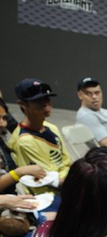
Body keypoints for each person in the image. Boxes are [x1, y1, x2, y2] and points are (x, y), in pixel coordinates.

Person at [7, 79, 71, 211]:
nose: (46, 104)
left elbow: (67, 161)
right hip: (47, 197)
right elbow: (50, 179)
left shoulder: (51, 127)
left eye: (47, 98)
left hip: (65, 184)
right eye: (38, 101)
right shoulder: (24, 141)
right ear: (22, 104)